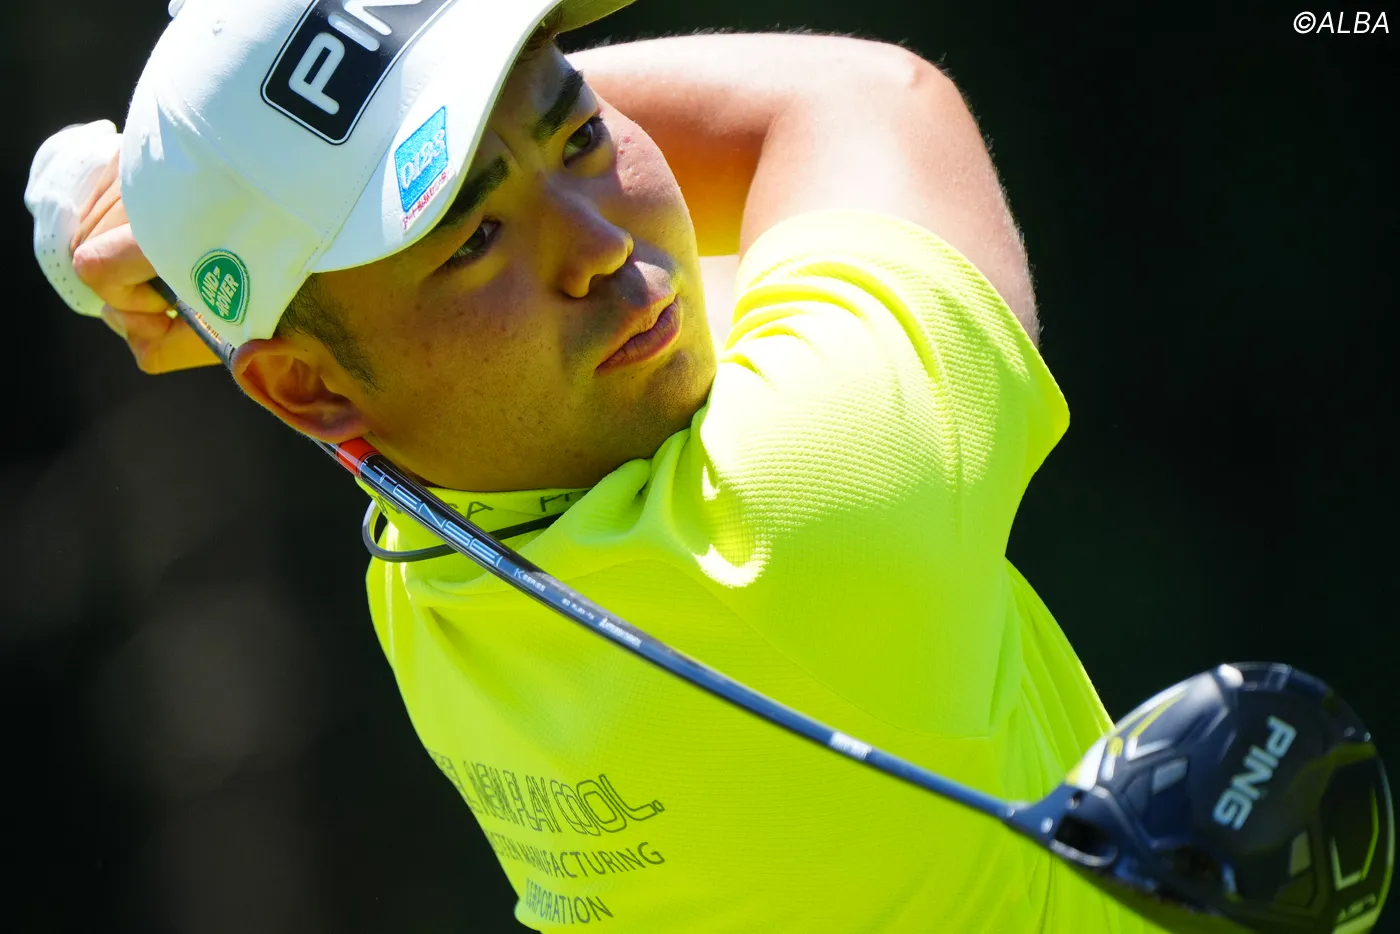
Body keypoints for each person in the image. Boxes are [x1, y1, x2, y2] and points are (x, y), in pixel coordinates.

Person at [25, 1, 1163, 930]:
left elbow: (348, 370)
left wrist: (218, 231)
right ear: (304, 388)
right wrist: (510, 94)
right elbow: (863, 100)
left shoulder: (429, 519)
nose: (602, 245)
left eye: (580, 138)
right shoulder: (803, 503)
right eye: (474, 238)